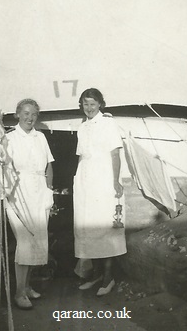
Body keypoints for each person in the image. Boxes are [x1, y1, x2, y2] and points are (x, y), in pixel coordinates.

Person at [73, 88, 127, 296]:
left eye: (92, 104)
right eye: (85, 104)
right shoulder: (82, 127)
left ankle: (108, 277)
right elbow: (81, 156)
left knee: (105, 227)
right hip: (86, 181)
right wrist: (78, 180)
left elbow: (115, 154)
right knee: (88, 227)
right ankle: (95, 274)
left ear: (100, 104)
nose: (89, 108)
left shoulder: (108, 123)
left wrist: (114, 180)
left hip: (103, 178)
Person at [2, 98, 54, 309]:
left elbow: (49, 166)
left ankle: (27, 287)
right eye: (25, 113)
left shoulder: (40, 137)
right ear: (17, 114)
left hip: (40, 191)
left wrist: (49, 191)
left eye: (33, 114)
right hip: (19, 193)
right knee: (25, 241)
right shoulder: (8, 138)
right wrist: (9, 194)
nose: (30, 118)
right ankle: (18, 292)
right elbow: (4, 169)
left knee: (38, 241)